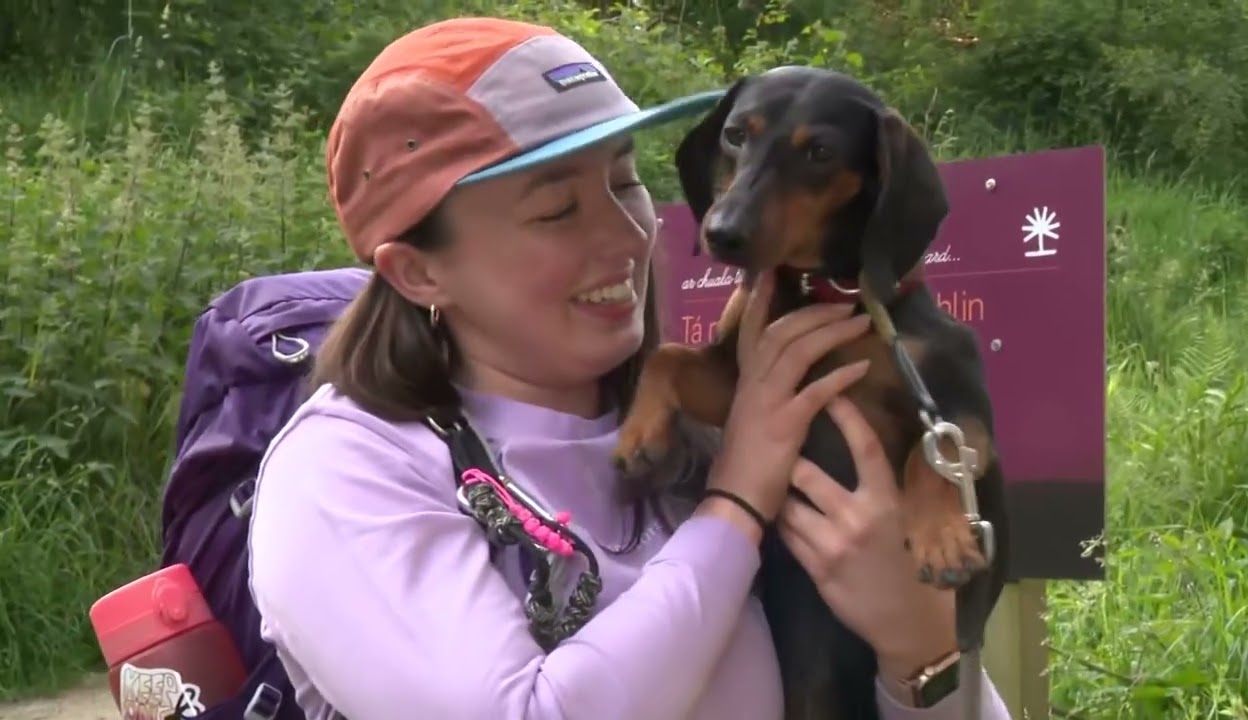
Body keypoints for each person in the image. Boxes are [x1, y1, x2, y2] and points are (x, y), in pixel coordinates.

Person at [245, 16, 1014, 720]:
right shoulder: (347, 472)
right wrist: (738, 500)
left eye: (624, 181)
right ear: (418, 274)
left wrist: (919, 651)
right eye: (554, 209)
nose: (626, 235)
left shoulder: (688, 419)